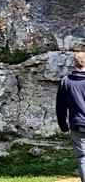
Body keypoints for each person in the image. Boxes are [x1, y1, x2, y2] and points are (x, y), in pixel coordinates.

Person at [57, 52, 85, 182]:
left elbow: (60, 106)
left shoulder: (66, 81)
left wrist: (63, 125)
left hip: (77, 124)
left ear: (74, 63)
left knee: (82, 157)